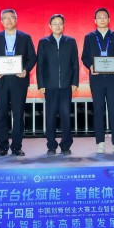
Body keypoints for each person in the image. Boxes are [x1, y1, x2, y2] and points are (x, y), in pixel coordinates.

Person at [0, 9, 37, 157]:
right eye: (5, 18)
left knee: (18, 115)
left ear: (16, 20)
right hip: (0, 80)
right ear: (1, 22)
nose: (9, 20)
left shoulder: (25, 37)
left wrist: (25, 70)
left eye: (12, 17)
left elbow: (33, 57)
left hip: (19, 80)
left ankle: (16, 147)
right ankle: (2, 147)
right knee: (1, 114)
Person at [81, 8, 114, 154]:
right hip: (96, 79)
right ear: (95, 21)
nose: (102, 19)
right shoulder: (89, 37)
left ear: (109, 19)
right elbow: (84, 57)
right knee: (98, 109)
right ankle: (100, 142)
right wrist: (91, 67)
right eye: (99, 17)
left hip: (112, 78)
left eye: (105, 17)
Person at [37, 14, 79, 156]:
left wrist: (75, 82)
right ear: (50, 26)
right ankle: (51, 145)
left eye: (60, 23)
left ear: (63, 25)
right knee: (51, 117)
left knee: (66, 116)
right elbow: (40, 65)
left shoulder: (71, 41)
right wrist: (41, 84)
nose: (57, 26)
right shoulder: (44, 42)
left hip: (66, 86)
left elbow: (75, 63)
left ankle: (66, 145)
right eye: (55, 23)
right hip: (50, 86)